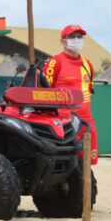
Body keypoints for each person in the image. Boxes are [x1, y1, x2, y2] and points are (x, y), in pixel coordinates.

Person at [45, 24, 98, 164]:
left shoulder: (88, 65)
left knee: (87, 165)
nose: (76, 40)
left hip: (87, 122)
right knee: (67, 163)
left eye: (79, 37)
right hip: (64, 123)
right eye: (72, 37)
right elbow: (43, 91)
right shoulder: (55, 62)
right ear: (63, 41)